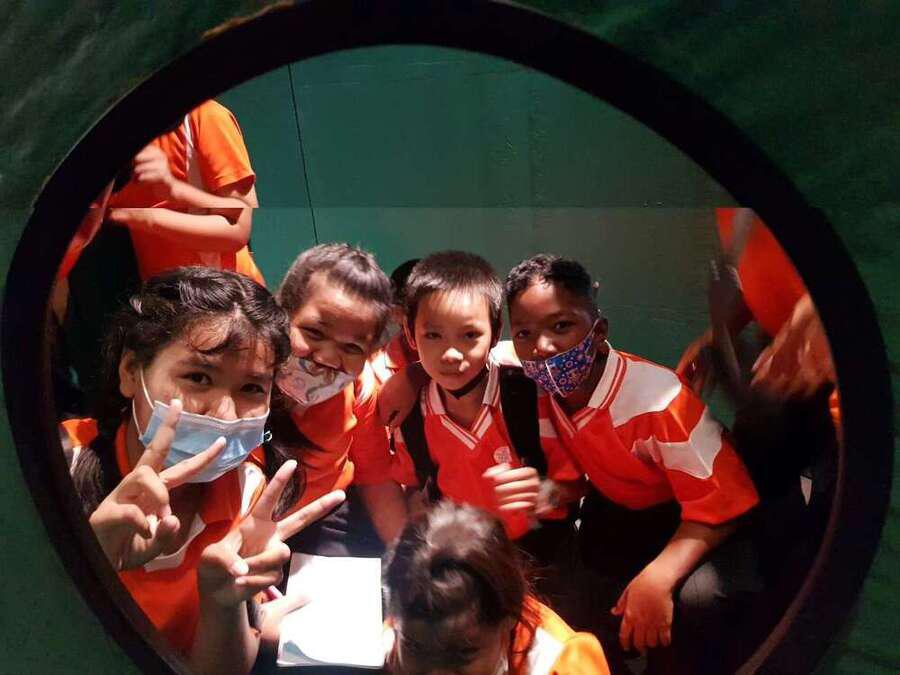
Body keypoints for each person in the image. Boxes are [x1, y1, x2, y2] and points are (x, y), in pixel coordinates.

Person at [65, 267, 344, 674]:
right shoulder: (55, 467)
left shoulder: (250, 491)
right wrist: (85, 569)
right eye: (198, 377)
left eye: (251, 388)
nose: (225, 415)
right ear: (131, 371)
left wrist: (222, 603)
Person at [504, 254, 761, 673]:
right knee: (574, 591)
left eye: (561, 326)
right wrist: (545, 492)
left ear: (599, 331)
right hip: (624, 507)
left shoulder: (657, 401)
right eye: (524, 333)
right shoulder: (545, 390)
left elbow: (727, 502)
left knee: (696, 603)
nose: (542, 347)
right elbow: (470, 352)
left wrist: (658, 578)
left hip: (700, 515)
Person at [356, 251, 582, 551]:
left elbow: (578, 482)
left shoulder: (532, 397)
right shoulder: (410, 417)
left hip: (542, 551)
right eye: (433, 335)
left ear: (495, 333)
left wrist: (545, 492)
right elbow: (413, 484)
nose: (451, 354)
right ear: (410, 335)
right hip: (467, 556)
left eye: (470, 335)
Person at [266, 242, 404, 554]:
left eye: (352, 348)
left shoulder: (359, 389)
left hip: (325, 517)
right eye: (314, 333)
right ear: (282, 313)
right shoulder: (239, 378)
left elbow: (376, 480)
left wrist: (407, 557)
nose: (328, 358)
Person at [383, 501, 610, 675]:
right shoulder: (413, 614)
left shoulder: (560, 664)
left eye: (463, 653)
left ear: (509, 618)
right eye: (416, 648)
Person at [106, 100, 265, 284]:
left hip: (223, 292)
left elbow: (236, 229)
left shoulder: (206, 116)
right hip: (162, 294)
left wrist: (139, 216)